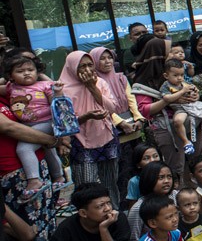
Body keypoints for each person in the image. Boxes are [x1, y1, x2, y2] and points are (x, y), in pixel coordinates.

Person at [132, 37, 200, 180]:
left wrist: (193, 96)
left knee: (197, 164)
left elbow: (188, 91)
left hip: (189, 121)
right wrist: (169, 99)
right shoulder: (143, 82)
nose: (173, 56)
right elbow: (146, 110)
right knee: (177, 169)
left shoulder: (174, 77)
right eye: (169, 53)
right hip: (166, 128)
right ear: (158, 56)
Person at [0, 79, 60, 240]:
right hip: (12, 174)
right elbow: (8, 127)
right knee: (30, 228)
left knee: (46, 222)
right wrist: (51, 140)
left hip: (36, 166)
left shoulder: (12, 91)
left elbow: (50, 87)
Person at [61, 51, 121, 209]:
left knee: (110, 182)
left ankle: (114, 213)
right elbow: (64, 124)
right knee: (87, 186)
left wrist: (92, 87)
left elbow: (112, 108)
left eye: (89, 65)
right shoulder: (63, 90)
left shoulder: (99, 83)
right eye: (82, 66)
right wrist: (86, 117)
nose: (87, 70)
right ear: (72, 68)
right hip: (81, 142)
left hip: (106, 137)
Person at [2, 56, 68, 199]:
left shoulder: (43, 86)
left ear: (37, 72)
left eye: (30, 70)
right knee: (47, 148)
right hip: (28, 125)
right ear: (10, 76)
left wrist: (57, 90)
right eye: (20, 71)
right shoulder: (10, 87)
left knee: (24, 148)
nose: (26, 73)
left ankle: (34, 180)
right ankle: (58, 177)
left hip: (46, 122)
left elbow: (57, 105)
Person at [90, 47, 146, 209]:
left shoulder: (121, 77)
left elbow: (131, 98)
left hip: (134, 129)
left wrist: (138, 118)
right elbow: (101, 105)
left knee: (139, 166)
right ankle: (126, 205)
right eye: (102, 58)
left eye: (109, 58)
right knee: (123, 172)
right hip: (115, 133)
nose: (107, 61)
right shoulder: (93, 83)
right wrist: (120, 122)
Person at [52, 182, 131, 241]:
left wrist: (104, 229)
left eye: (108, 203)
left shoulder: (118, 218)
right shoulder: (66, 229)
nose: (108, 209)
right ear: (83, 213)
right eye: (100, 206)